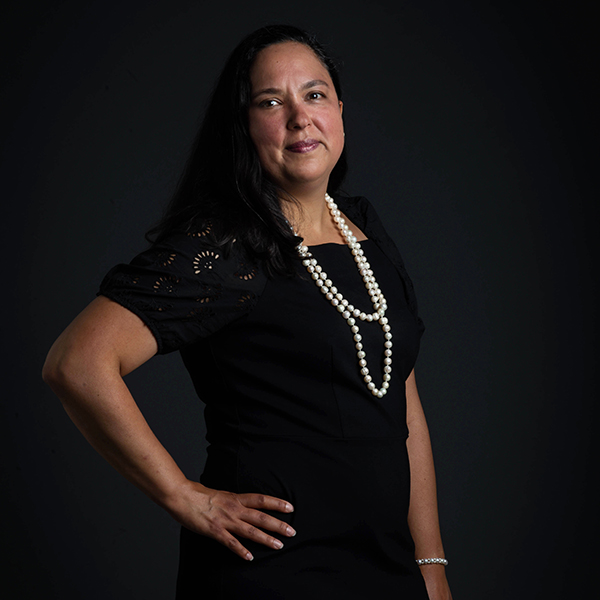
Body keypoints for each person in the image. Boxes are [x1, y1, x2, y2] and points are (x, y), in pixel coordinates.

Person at [43, 24, 453, 599]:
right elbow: (76, 363)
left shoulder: (367, 233)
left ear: (339, 110)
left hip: (385, 567)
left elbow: (401, 402)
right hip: (272, 571)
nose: (299, 117)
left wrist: (430, 565)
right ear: (243, 125)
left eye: (314, 95)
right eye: (270, 102)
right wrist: (187, 497)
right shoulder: (229, 245)